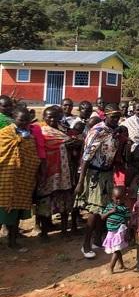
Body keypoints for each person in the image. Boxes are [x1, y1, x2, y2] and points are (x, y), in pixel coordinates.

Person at [75, 104, 121, 258]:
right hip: (95, 174)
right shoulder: (98, 131)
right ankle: (85, 245)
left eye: (118, 117)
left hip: (107, 174)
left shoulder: (113, 131)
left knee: (104, 208)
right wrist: (81, 181)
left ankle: (96, 240)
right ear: (105, 115)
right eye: (113, 117)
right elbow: (86, 157)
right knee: (94, 211)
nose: (116, 119)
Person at [0, 108, 41, 248]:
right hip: (5, 180)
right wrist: (18, 141)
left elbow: (33, 158)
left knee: (17, 213)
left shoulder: (30, 136)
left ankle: (12, 242)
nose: (24, 123)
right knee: (2, 211)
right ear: (13, 118)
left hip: (23, 181)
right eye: (21, 120)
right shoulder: (4, 134)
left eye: (27, 120)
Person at [37, 106, 77, 238]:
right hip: (46, 172)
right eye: (49, 116)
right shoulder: (41, 132)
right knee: (45, 201)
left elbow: (73, 146)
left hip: (64, 172)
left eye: (55, 117)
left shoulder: (64, 131)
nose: (53, 119)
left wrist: (73, 145)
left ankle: (64, 231)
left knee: (65, 201)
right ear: (44, 117)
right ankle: (44, 232)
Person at [100, 186, 130, 273]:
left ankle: (111, 267)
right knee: (117, 248)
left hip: (119, 231)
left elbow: (128, 220)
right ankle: (121, 265)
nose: (119, 201)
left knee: (117, 249)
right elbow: (102, 217)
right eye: (117, 198)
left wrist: (128, 232)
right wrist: (110, 212)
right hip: (111, 232)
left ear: (124, 197)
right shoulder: (109, 206)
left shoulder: (125, 208)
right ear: (112, 197)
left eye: (121, 198)